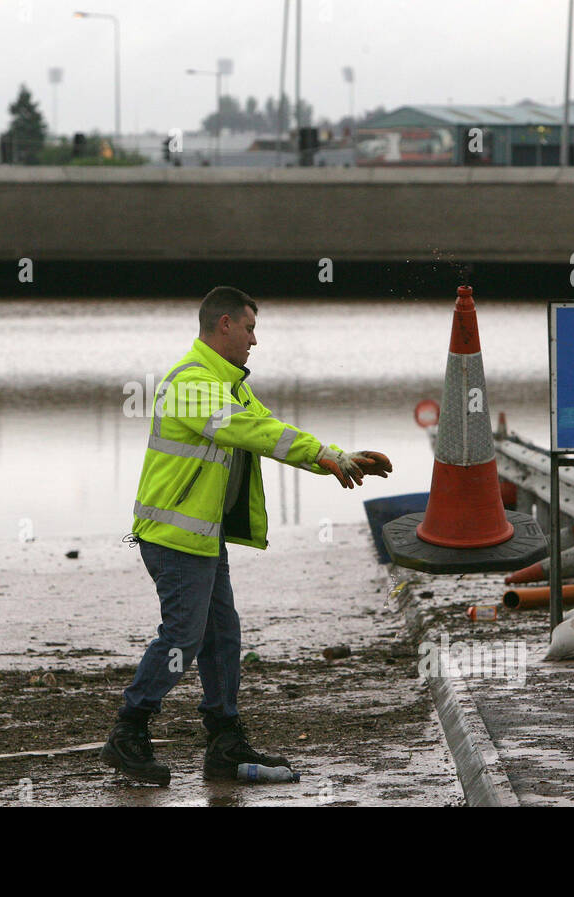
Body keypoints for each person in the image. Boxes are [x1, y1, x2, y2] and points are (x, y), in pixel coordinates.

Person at [101, 286, 392, 786]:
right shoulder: (192, 382)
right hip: (173, 537)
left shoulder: (228, 384)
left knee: (222, 638)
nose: (255, 340)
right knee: (183, 639)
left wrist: (334, 456)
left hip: (200, 537)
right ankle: (128, 731)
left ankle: (225, 742)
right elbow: (247, 432)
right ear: (224, 326)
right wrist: (327, 455)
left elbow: (267, 426)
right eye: (251, 328)